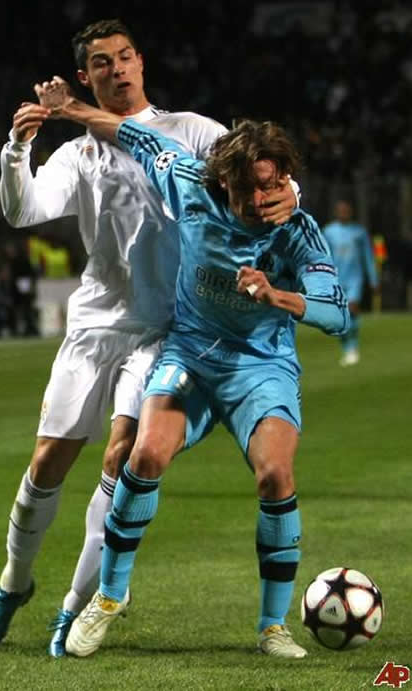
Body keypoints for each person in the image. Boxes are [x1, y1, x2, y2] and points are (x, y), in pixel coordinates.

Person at [0, 19, 299, 656]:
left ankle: (76, 606)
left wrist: (289, 194)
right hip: (94, 325)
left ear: (141, 63)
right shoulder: (77, 153)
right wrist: (16, 150)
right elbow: (24, 211)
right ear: (88, 74)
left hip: (165, 329)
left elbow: (267, 174)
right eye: (102, 62)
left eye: (125, 57)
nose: (117, 69)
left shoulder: (194, 132)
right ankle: (13, 583)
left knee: (122, 458)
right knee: (46, 463)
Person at [35, 83, 349, 659]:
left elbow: (337, 312)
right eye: (253, 187)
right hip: (191, 356)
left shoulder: (297, 230)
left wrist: (277, 296)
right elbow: (133, 133)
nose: (265, 198)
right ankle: (108, 597)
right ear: (224, 181)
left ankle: (271, 626)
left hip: (261, 368)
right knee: (144, 455)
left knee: (275, 476)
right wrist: (72, 110)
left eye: (276, 184)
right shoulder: (186, 184)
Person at [323, 199, 379, 366]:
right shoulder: (329, 232)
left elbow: (367, 257)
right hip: (336, 279)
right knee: (340, 317)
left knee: (353, 309)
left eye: (346, 210)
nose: (343, 213)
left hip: (355, 279)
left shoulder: (359, 232)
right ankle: (347, 347)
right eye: (340, 210)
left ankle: (353, 347)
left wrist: (373, 279)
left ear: (350, 212)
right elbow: (324, 256)